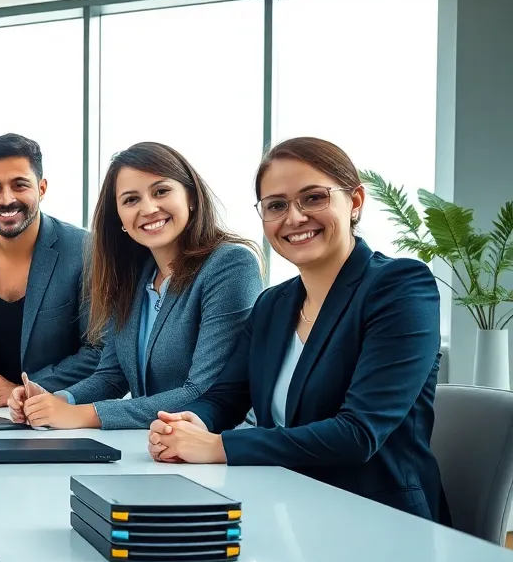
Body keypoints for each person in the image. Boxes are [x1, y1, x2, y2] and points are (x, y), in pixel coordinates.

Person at [148, 136, 443, 520]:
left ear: (354, 202)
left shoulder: (400, 286)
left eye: (314, 198)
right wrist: (188, 423)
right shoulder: (274, 304)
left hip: (380, 520)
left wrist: (219, 446)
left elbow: (358, 434)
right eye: (276, 206)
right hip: (285, 509)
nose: (295, 217)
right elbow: (226, 397)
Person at [8, 142, 262, 429]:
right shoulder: (133, 275)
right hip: (154, 447)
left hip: (218, 450)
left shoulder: (230, 265)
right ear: (120, 219)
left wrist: (84, 415)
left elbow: (205, 391)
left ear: (190, 196)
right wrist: (56, 400)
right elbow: (111, 376)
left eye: (161, 191)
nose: (149, 208)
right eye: (131, 200)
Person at [0, 133, 99, 408]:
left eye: (19, 185)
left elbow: (97, 350)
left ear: (42, 188)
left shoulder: (84, 248)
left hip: (57, 414)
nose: (6, 199)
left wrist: (21, 390)